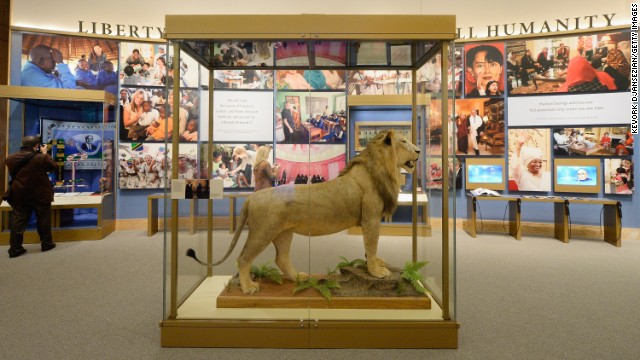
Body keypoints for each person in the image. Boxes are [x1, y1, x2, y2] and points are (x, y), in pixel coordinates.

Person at [5, 136, 58, 258]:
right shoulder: (41, 158)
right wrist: (45, 154)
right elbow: (53, 167)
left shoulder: (10, 158)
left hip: (20, 193)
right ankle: (46, 243)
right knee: (43, 220)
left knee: (18, 221)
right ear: (37, 145)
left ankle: (15, 248)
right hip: (40, 194)